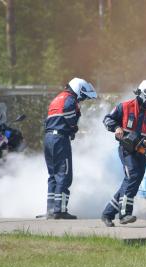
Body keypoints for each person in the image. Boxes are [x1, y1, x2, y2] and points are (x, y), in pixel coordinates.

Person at [101, 80, 146, 227]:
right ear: (144, 95)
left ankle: (107, 213)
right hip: (126, 150)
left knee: (131, 182)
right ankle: (124, 214)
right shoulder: (124, 107)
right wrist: (117, 128)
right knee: (133, 177)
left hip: (142, 152)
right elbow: (107, 119)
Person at [44, 77, 97, 219]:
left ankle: (50, 209)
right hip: (60, 139)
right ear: (79, 89)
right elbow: (68, 113)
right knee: (64, 174)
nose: (83, 99)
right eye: (83, 96)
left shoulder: (58, 98)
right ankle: (59, 211)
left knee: (53, 175)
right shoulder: (69, 99)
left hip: (49, 138)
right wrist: (73, 126)